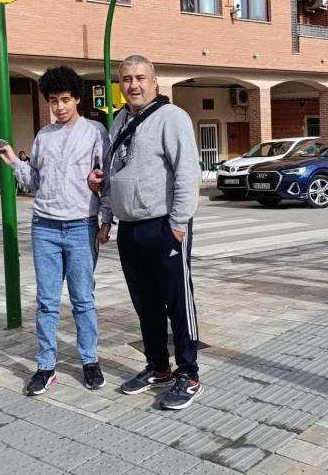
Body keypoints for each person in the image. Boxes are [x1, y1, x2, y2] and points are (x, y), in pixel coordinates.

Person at [88, 55, 202, 410]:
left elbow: (187, 173)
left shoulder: (172, 118)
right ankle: (159, 367)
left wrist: (179, 225)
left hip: (164, 225)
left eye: (140, 77)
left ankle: (189, 373)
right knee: (145, 303)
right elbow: (110, 175)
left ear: (155, 82)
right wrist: (106, 215)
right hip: (130, 228)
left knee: (177, 302)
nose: (133, 84)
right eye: (126, 79)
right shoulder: (119, 120)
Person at [0, 66, 110, 396]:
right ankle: (46, 367)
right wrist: (12, 161)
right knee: (46, 302)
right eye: (53, 101)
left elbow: (105, 180)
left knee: (83, 300)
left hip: (80, 225)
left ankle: (89, 360)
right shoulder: (43, 136)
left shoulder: (95, 132)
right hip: (44, 226)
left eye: (64, 100)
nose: (59, 107)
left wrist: (106, 221)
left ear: (77, 99)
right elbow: (34, 182)